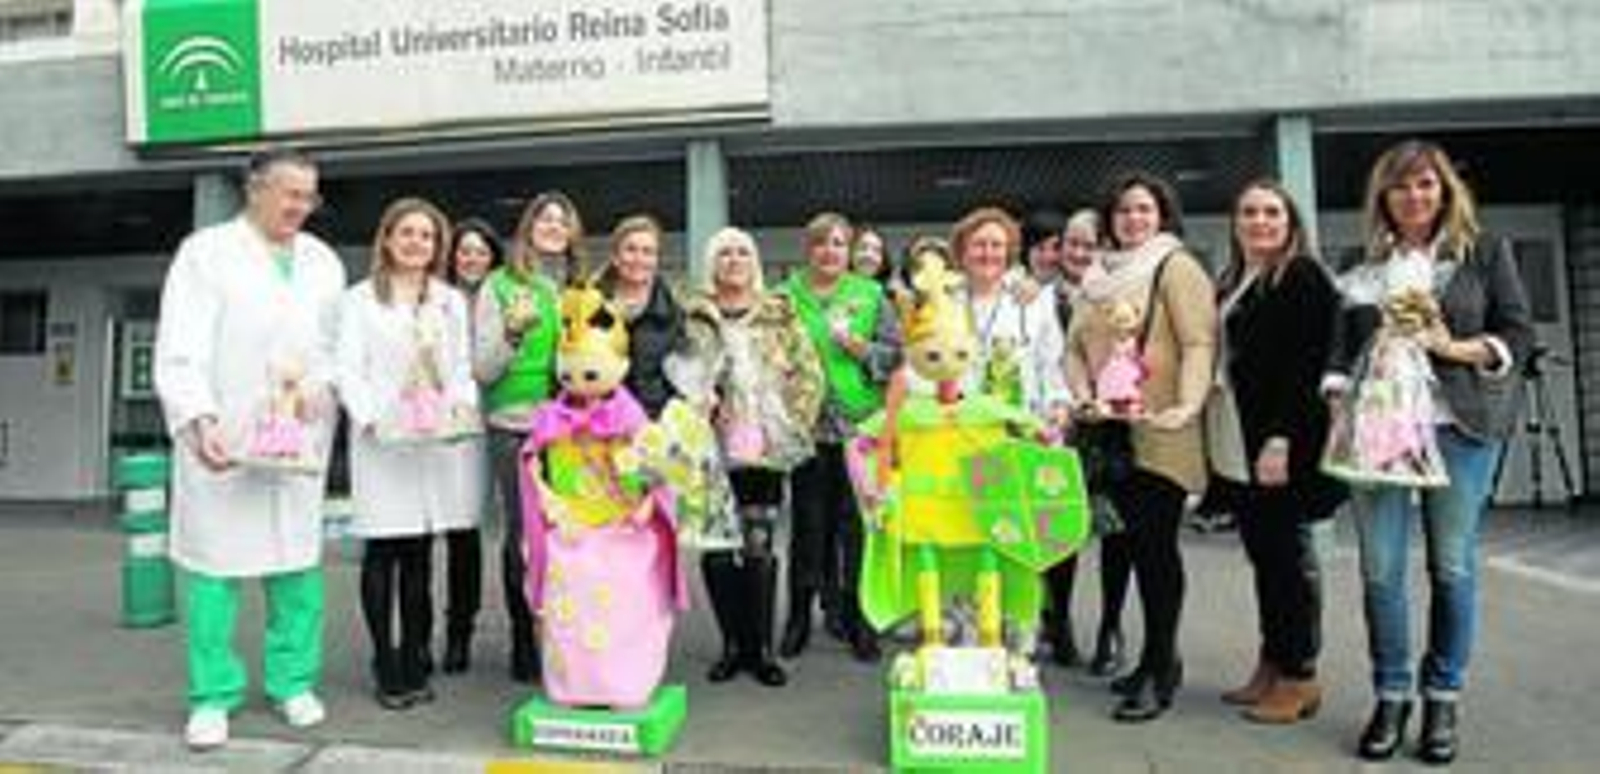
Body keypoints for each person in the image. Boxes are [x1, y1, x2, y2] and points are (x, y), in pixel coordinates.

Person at [1330, 140, 1533, 764]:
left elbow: (1517, 333)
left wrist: (1455, 347)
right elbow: (1338, 349)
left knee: (1452, 568)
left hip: (1458, 428)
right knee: (1380, 572)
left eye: (1425, 185)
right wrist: (1336, 397)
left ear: (1444, 190)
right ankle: (1391, 696)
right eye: (1400, 187)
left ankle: (1442, 696)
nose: (1413, 196)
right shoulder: (1360, 264)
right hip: (1380, 432)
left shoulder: (1483, 252)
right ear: (1383, 197)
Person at [153, 147, 345, 749]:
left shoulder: (322, 261)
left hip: (295, 438)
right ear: (254, 189)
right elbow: (180, 347)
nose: (300, 207)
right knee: (214, 570)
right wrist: (198, 418)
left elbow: (336, 346)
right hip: (226, 439)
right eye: (290, 193)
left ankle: (292, 682)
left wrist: (323, 387)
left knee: (295, 565)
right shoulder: (205, 253)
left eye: (309, 196)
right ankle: (213, 695)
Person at [1065, 171, 1216, 722]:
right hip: (1110, 433)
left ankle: (1160, 668)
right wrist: (1083, 395)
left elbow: (1200, 341)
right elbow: (1075, 348)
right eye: (1125, 210)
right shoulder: (1097, 276)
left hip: (1161, 429)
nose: (1134, 219)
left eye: (1145, 209)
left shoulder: (1175, 266)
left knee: (1156, 552)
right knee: (1129, 546)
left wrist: (1188, 405)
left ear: (1163, 216)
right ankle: (1154, 660)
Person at [336, 198, 485, 709]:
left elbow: (462, 368)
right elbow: (347, 369)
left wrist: (459, 410)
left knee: (420, 554)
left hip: (431, 444)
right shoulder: (358, 300)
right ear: (387, 239)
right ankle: (385, 658)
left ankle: (416, 651)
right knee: (383, 552)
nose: (417, 242)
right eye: (407, 232)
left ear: (436, 245)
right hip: (382, 442)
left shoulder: (448, 301)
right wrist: (371, 417)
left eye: (426, 235)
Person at [1210, 180, 1346, 724]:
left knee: (1288, 559)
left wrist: (1281, 438)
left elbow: (1305, 364)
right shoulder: (1238, 280)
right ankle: (1271, 662)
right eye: (1249, 212)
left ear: (1290, 222)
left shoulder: (1302, 276)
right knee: (1264, 556)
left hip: (1283, 440)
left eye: (1272, 212)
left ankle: (1300, 674)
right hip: (1243, 441)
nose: (1260, 221)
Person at [681, 227, 824, 686]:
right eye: (724, 253)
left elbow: (810, 374)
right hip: (707, 448)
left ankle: (760, 650)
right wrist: (694, 408)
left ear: (755, 261)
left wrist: (791, 425)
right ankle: (730, 646)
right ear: (711, 263)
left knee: (759, 544)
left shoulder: (780, 314)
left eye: (743, 252)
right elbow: (674, 372)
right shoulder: (693, 316)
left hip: (764, 447)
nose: (734, 260)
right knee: (718, 549)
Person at [778, 212, 901, 663]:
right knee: (807, 529)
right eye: (820, 243)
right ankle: (797, 619)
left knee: (857, 528)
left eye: (838, 243)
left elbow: (897, 355)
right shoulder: (785, 296)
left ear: (849, 252)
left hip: (858, 428)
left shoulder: (870, 295)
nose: (829, 251)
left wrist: (862, 350)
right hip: (806, 426)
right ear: (807, 249)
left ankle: (858, 619)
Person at [472, 191, 580, 682]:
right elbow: (483, 369)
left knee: (568, 536)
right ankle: (523, 639)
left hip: (571, 429)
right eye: (545, 217)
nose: (554, 226)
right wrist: (513, 335)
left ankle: (562, 635)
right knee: (523, 536)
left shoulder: (576, 287)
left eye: (563, 220)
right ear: (528, 225)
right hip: (515, 426)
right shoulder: (499, 284)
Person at [1045, 208, 1134, 674]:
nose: (1080, 253)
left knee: (1116, 532)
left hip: (1111, 431)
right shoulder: (1040, 296)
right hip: (1059, 431)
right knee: (1060, 534)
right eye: (1072, 242)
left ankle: (1111, 628)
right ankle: (1057, 623)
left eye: (1091, 243)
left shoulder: (1118, 296)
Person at [431, 218, 501, 674]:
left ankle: (467, 624)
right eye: (464, 251)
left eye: (480, 251)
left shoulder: (504, 299)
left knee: (475, 530)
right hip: (447, 426)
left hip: (499, 418)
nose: (471, 259)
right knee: (459, 530)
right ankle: (456, 634)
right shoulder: (434, 301)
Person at [595, 214, 686, 419]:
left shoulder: (674, 313)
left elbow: (681, 380)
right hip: (598, 425)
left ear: (656, 260)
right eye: (631, 249)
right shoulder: (589, 306)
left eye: (648, 252)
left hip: (653, 427)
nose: (639, 259)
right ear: (616, 257)